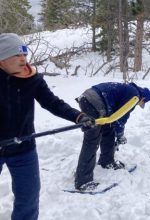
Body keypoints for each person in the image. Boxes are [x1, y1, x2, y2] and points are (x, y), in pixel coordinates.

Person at [0, 33, 94, 220]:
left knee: (28, 198)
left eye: (25, 55)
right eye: (17, 55)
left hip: (23, 148)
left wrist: (78, 116)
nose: (23, 59)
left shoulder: (32, 79)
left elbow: (52, 102)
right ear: (2, 58)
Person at [74, 82, 150, 191]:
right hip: (93, 102)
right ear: (143, 98)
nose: (140, 105)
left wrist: (117, 131)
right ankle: (83, 181)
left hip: (90, 99)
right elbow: (122, 118)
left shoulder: (129, 90)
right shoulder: (134, 97)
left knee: (108, 129)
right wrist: (120, 135)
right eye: (142, 103)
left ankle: (107, 161)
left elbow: (116, 117)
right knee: (92, 140)